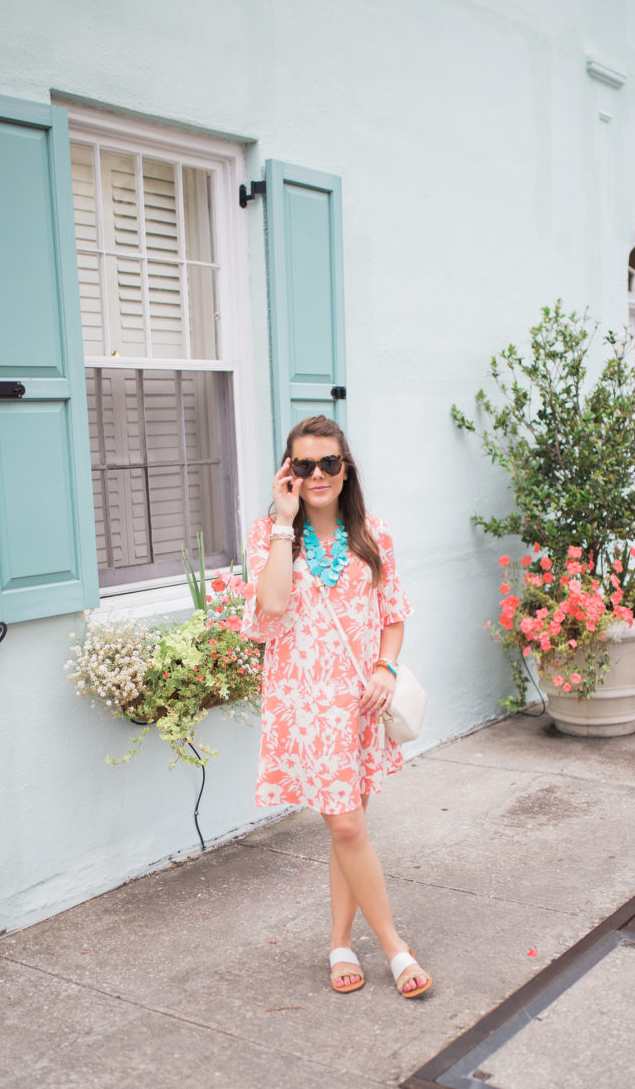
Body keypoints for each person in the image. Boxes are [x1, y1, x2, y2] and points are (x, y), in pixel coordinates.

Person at [241, 414, 432, 998]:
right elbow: (272, 607)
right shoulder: (270, 535)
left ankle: (341, 943)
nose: (317, 474)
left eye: (328, 463)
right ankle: (396, 948)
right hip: (305, 706)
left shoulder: (373, 533)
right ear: (288, 473)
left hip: (360, 702)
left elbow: (393, 615)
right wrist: (282, 522)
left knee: (350, 828)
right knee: (347, 824)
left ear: (345, 470)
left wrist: (385, 667)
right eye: (304, 465)